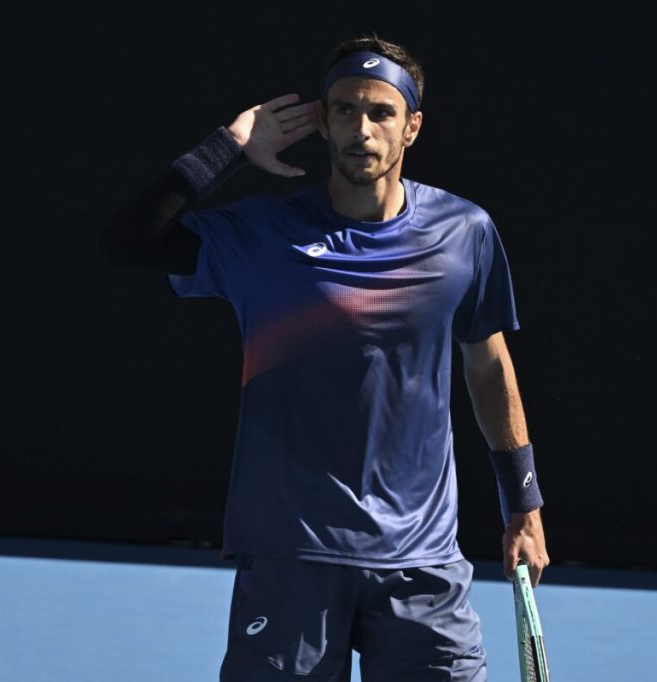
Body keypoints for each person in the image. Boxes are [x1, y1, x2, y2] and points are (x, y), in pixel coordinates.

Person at [100, 33, 549, 682]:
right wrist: (227, 149)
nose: (361, 128)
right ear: (322, 122)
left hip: (420, 560)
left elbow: (488, 366)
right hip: (290, 558)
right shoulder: (261, 237)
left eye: (380, 112)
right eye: (344, 111)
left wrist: (524, 505)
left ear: (412, 127)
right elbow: (126, 243)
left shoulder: (465, 234)